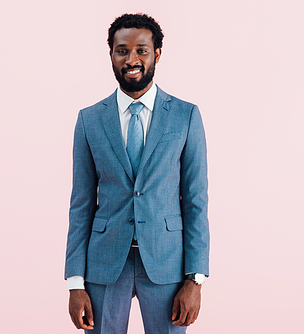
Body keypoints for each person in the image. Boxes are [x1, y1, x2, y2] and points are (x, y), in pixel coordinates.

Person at [64, 13, 209, 334]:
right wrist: (75, 281)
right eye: (122, 50)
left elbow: (196, 201)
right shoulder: (89, 120)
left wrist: (195, 278)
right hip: (103, 263)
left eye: (141, 50)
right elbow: (81, 204)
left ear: (157, 53)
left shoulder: (186, 116)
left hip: (167, 262)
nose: (132, 59)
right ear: (111, 54)